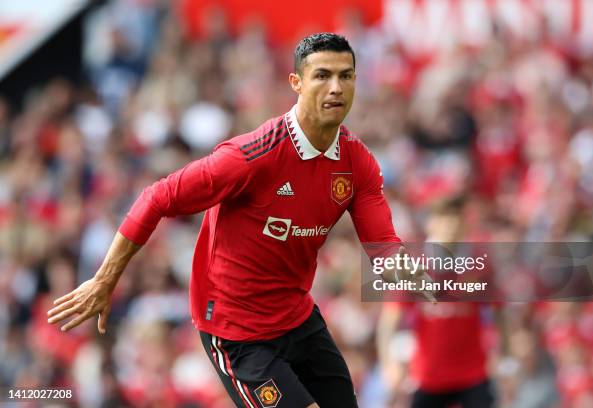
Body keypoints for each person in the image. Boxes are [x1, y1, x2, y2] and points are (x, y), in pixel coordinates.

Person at [47, 33, 429, 408]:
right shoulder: (252, 156)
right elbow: (157, 197)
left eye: (346, 76)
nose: (336, 87)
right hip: (236, 331)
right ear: (296, 82)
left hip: (296, 316)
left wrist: (429, 275)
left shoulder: (356, 163)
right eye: (322, 75)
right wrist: (105, 278)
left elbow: (384, 248)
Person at [377, 199, 502, 408]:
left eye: (457, 219)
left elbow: (498, 313)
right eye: (445, 219)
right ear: (431, 223)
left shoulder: (480, 265)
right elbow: (390, 318)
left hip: (473, 372)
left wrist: (502, 354)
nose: (451, 226)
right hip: (428, 375)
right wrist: (388, 363)